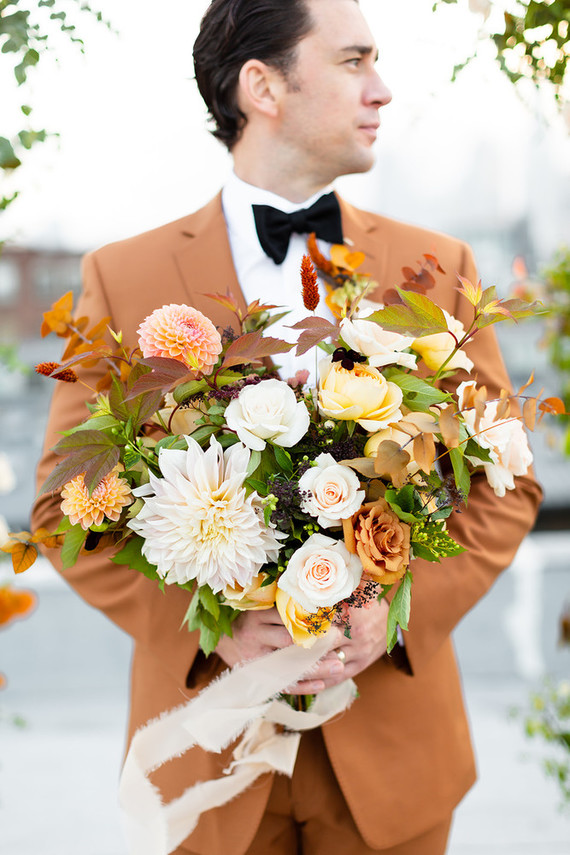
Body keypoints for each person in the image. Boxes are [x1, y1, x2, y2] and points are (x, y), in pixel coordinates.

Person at [32, 1, 542, 853]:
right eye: (353, 62)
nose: (381, 90)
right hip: (206, 754)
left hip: (394, 755)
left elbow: (508, 483)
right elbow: (65, 506)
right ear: (261, 86)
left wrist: (398, 615)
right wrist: (213, 627)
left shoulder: (443, 270)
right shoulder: (122, 277)